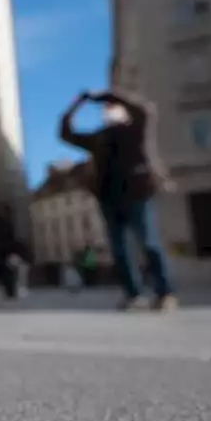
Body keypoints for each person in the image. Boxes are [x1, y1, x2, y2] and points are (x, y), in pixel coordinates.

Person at [60, 88, 178, 312]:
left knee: (150, 244)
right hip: (109, 197)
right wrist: (77, 104)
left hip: (138, 193)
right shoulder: (99, 138)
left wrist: (106, 96)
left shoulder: (136, 129)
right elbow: (65, 133)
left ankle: (165, 293)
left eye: (114, 109)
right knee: (120, 250)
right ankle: (133, 294)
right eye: (107, 110)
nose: (109, 112)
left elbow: (145, 110)